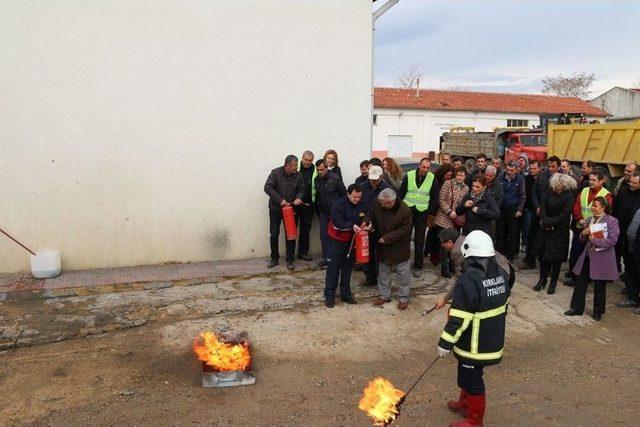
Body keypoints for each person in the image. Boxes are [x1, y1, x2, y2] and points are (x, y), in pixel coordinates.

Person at [437, 230, 511, 427]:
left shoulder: (468, 280)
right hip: (492, 338)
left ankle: (474, 421)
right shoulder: (501, 274)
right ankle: (464, 404)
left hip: (475, 344)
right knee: (467, 373)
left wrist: (445, 343)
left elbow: (459, 317)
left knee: (473, 380)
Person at [565, 197, 619, 321]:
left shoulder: (612, 221)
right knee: (580, 282)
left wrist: (591, 238)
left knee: (599, 286)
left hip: (602, 258)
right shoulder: (590, 219)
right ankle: (576, 308)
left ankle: (598, 312)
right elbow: (582, 239)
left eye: (595, 205)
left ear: (603, 207)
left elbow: (612, 241)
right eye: (592, 205)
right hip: (588, 256)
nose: (592, 208)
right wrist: (583, 234)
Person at [435, 228, 514, 310]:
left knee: (482, 305)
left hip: (502, 275)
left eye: (442, 242)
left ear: (450, 242)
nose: (441, 245)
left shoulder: (457, 251)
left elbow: (459, 281)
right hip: (504, 269)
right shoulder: (462, 239)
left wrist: (445, 298)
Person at [324, 184, 371, 308]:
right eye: (354, 197)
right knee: (333, 269)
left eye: (359, 197)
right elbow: (337, 223)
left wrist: (367, 223)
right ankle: (329, 296)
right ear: (348, 194)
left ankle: (346, 294)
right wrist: (352, 225)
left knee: (347, 269)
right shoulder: (338, 205)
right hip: (336, 241)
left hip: (352, 241)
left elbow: (367, 214)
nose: (357, 199)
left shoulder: (362, 204)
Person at [565, 171, 613, 287]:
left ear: (601, 181)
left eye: (594, 180)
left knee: (592, 255)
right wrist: (580, 219)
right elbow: (576, 206)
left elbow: (606, 213)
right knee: (576, 253)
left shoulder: (606, 194)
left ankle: (589, 277)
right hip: (580, 227)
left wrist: (591, 225)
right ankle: (574, 277)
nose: (590, 182)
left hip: (595, 229)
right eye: (590, 179)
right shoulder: (584, 190)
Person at [532, 173, 576, 294]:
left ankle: (553, 283)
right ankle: (542, 279)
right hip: (545, 227)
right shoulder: (549, 191)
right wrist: (545, 221)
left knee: (556, 259)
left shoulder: (569, 196)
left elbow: (565, 214)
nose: (555, 187)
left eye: (558, 186)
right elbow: (543, 205)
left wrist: (550, 223)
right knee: (543, 256)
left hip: (559, 231)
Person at [371, 188, 413, 310]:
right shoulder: (378, 203)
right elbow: (371, 214)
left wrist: (387, 238)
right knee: (383, 272)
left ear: (392, 202)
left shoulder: (405, 210)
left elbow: (404, 230)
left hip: (399, 247)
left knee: (403, 274)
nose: (382, 206)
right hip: (383, 246)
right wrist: (367, 222)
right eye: (381, 203)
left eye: (384, 204)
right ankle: (384, 296)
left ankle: (403, 298)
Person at [398, 157, 440, 277]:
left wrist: (429, 211)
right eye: (423, 167)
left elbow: (434, 197)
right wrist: (400, 209)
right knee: (404, 238)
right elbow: (401, 192)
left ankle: (418, 266)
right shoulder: (410, 175)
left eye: (427, 168)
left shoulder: (432, 178)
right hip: (407, 211)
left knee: (419, 240)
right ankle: (402, 263)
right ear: (419, 166)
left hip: (422, 212)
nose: (425, 169)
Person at [263, 155, 305, 270]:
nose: (297, 168)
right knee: (274, 233)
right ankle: (274, 258)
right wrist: (280, 200)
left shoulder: (298, 175)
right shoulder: (275, 173)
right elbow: (267, 187)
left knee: (290, 235)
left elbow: (301, 189)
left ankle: (290, 260)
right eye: (295, 166)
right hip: (276, 209)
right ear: (287, 165)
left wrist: (298, 198)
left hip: (291, 210)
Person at [434, 167, 469, 277]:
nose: (459, 177)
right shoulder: (448, 183)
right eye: (458, 175)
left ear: (465, 177)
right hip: (444, 218)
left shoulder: (466, 188)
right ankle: (444, 269)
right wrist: (449, 212)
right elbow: (441, 200)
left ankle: (451, 266)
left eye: (462, 175)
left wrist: (457, 212)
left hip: (455, 220)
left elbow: (463, 203)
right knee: (444, 245)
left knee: (453, 245)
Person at [360, 166, 390, 286]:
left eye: (376, 180)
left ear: (381, 177)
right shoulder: (363, 186)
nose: (373, 182)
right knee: (367, 251)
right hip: (365, 224)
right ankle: (369, 276)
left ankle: (381, 277)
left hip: (381, 226)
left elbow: (389, 210)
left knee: (381, 253)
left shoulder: (387, 189)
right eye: (371, 179)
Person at [314, 159, 347, 268]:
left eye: (322, 170)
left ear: (327, 168)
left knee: (335, 236)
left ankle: (336, 258)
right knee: (323, 235)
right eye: (318, 170)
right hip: (323, 212)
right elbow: (318, 196)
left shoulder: (335, 179)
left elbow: (344, 195)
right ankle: (326, 259)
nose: (320, 172)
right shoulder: (316, 180)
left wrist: (341, 211)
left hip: (335, 213)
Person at [614, 172, 640, 310]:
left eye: (635, 183)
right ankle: (632, 297)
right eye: (630, 181)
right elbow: (615, 210)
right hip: (625, 240)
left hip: (638, 244)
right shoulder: (624, 192)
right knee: (629, 270)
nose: (631, 184)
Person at [425, 163, 457, 266]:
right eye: (447, 174)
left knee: (439, 236)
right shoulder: (435, 179)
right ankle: (430, 254)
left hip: (442, 212)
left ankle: (436, 256)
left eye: (450, 175)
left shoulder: (450, 183)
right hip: (434, 211)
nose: (448, 177)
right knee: (433, 234)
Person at [496, 162, 525, 261]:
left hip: (513, 208)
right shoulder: (500, 178)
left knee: (512, 234)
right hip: (501, 208)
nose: (509, 172)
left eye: (512, 170)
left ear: (516, 170)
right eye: (507, 170)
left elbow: (522, 196)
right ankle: (499, 254)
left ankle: (511, 256)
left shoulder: (520, 179)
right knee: (500, 233)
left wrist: (519, 210)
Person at [456, 175, 500, 239]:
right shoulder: (469, 196)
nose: (474, 189)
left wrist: (480, 211)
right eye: (473, 186)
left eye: (477, 187)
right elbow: (458, 212)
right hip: (468, 231)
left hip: (482, 233)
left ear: (484, 187)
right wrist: (464, 206)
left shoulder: (488, 198)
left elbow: (496, 214)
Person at [519, 160, 541, 269]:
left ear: (539, 169)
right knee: (528, 235)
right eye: (530, 169)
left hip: (539, 211)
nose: (532, 171)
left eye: (534, 169)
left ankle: (535, 257)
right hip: (529, 210)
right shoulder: (526, 179)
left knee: (538, 236)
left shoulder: (542, 179)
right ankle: (529, 258)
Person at [297, 150, 316, 262]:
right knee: (292, 229)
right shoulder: (296, 167)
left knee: (305, 229)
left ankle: (303, 253)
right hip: (295, 204)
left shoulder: (315, 169)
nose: (308, 162)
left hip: (309, 205)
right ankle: (290, 255)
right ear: (302, 158)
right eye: (306, 160)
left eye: (310, 160)